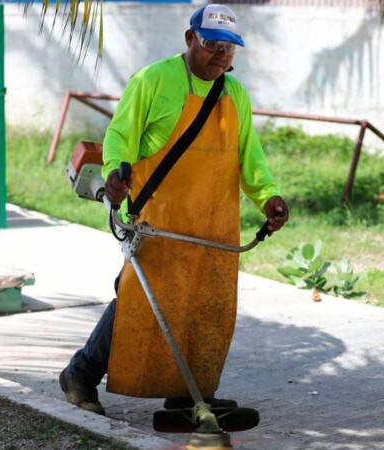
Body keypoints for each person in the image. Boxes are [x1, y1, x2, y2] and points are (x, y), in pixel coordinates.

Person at [60, 4, 289, 415]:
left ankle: (190, 395)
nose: (220, 55)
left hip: (214, 226)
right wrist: (115, 174)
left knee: (206, 309)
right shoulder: (153, 80)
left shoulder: (234, 94)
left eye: (229, 49)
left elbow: (249, 161)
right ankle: (80, 375)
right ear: (189, 39)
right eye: (211, 45)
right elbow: (119, 137)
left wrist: (269, 198)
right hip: (158, 222)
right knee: (140, 300)